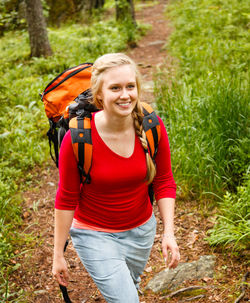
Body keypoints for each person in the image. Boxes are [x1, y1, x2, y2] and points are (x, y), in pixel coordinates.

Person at [52, 53, 180, 303]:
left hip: (141, 231)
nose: (125, 95)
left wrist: (169, 233)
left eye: (130, 86)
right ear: (99, 94)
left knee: (130, 286)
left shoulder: (152, 126)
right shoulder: (78, 138)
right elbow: (66, 198)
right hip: (94, 234)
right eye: (115, 88)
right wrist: (58, 253)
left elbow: (164, 181)